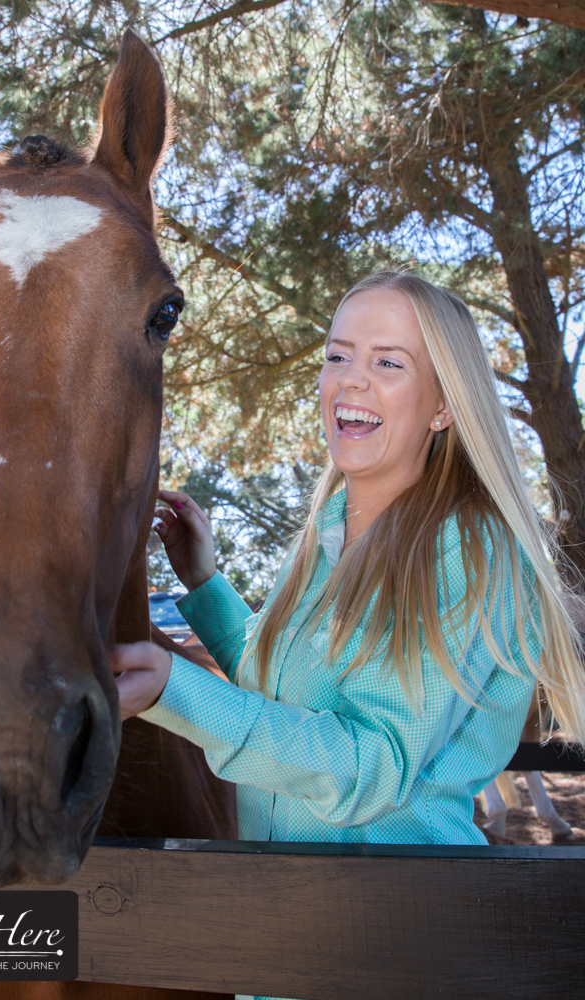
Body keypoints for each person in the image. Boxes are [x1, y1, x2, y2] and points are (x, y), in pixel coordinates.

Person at [108, 270, 585, 849]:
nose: (351, 380)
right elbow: (280, 697)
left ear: (443, 405)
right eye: (338, 356)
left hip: (399, 913)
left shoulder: (469, 547)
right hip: (290, 900)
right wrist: (205, 584)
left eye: (388, 363)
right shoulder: (330, 527)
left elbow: (373, 767)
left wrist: (176, 693)